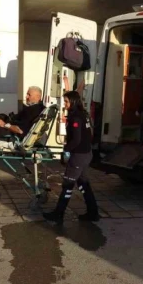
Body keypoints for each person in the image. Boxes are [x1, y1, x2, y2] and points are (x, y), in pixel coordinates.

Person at [43, 91, 99, 224]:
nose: (65, 104)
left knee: (68, 184)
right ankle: (93, 213)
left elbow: (76, 140)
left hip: (79, 156)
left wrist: (66, 150)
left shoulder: (76, 117)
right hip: (86, 154)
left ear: (73, 101)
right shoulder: (83, 114)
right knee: (83, 183)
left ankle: (58, 214)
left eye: (67, 101)